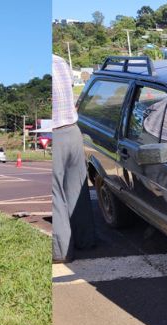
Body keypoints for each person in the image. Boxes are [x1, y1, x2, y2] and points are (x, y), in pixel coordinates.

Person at [52, 54, 96, 263]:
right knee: (77, 190)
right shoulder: (60, 61)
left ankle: (62, 251)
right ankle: (86, 240)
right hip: (72, 131)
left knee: (56, 195)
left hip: (55, 134)